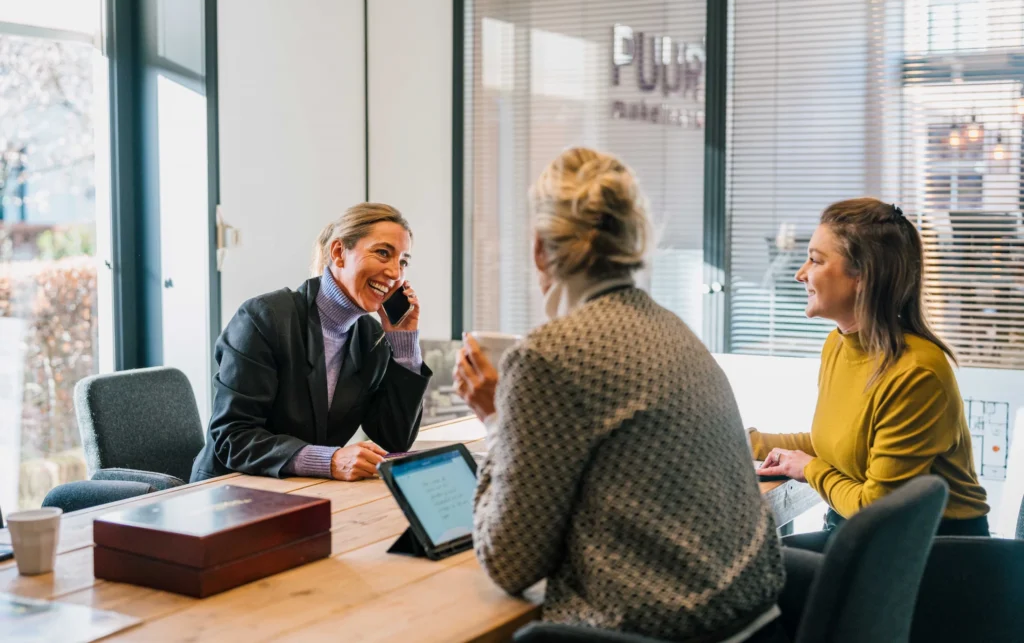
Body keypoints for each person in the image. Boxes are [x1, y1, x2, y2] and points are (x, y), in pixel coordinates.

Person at [455, 148, 786, 642]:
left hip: (659, 629)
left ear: (539, 250)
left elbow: (509, 561)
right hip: (751, 619)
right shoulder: (674, 330)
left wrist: (495, 420)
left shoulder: (548, 355)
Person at [752, 198, 989, 550]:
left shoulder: (917, 372)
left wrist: (809, 469)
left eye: (816, 260)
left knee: (758, 580)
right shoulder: (838, 344)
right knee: (757, 571)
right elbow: (839, 446)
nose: (801, 273)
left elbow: (876, 505)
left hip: (933, 554)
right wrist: (743, 442)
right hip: (861, 534)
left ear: (862, 276)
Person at [190, 203, 432, 482]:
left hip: (307, 491)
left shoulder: (371, 337)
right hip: (229, 489)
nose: (395, 273)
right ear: (339, 253)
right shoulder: (263, 318)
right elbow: (233, 436)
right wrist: (328, 460)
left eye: (403, 261)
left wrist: (404, 345)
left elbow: (394, 439)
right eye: (382, 253)